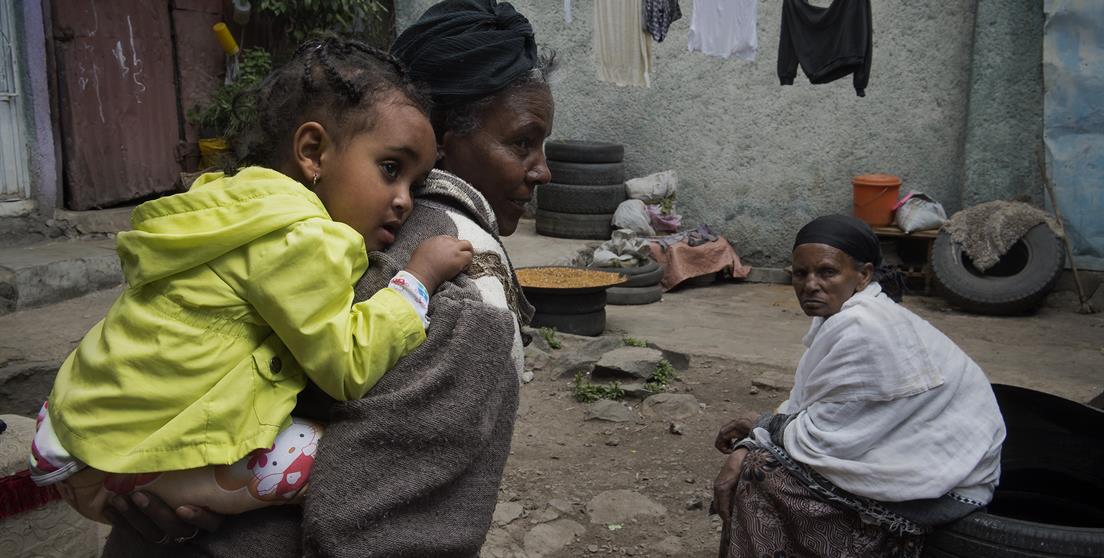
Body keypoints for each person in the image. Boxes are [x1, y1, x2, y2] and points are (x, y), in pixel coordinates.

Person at [99, 1, 554, 555]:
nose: (544, 169)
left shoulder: (246, 211)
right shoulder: (462, 286)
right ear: (438, 136)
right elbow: (378, 535)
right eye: (521, 143)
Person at [29, 38, 473, 525]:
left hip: (75, 423)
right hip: (123, 462)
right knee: (354, 461)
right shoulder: (302, 239)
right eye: (391, 169)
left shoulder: (233, 203)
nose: (405, 200)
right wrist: (418, 279)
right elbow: (347, 367)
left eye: (415, 182)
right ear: (312, 152)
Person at [712, 214, 1006, 557]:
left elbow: (822, 436)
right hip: (933, 468)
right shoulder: (841, 318)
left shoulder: (864, 327)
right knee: (757, 453)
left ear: (863, 275)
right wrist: (755, 434)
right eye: (800, 273)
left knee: (760, 473)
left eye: (827, 272)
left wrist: (756, 433)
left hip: (944, 490)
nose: (810, 285)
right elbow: (805, 405)